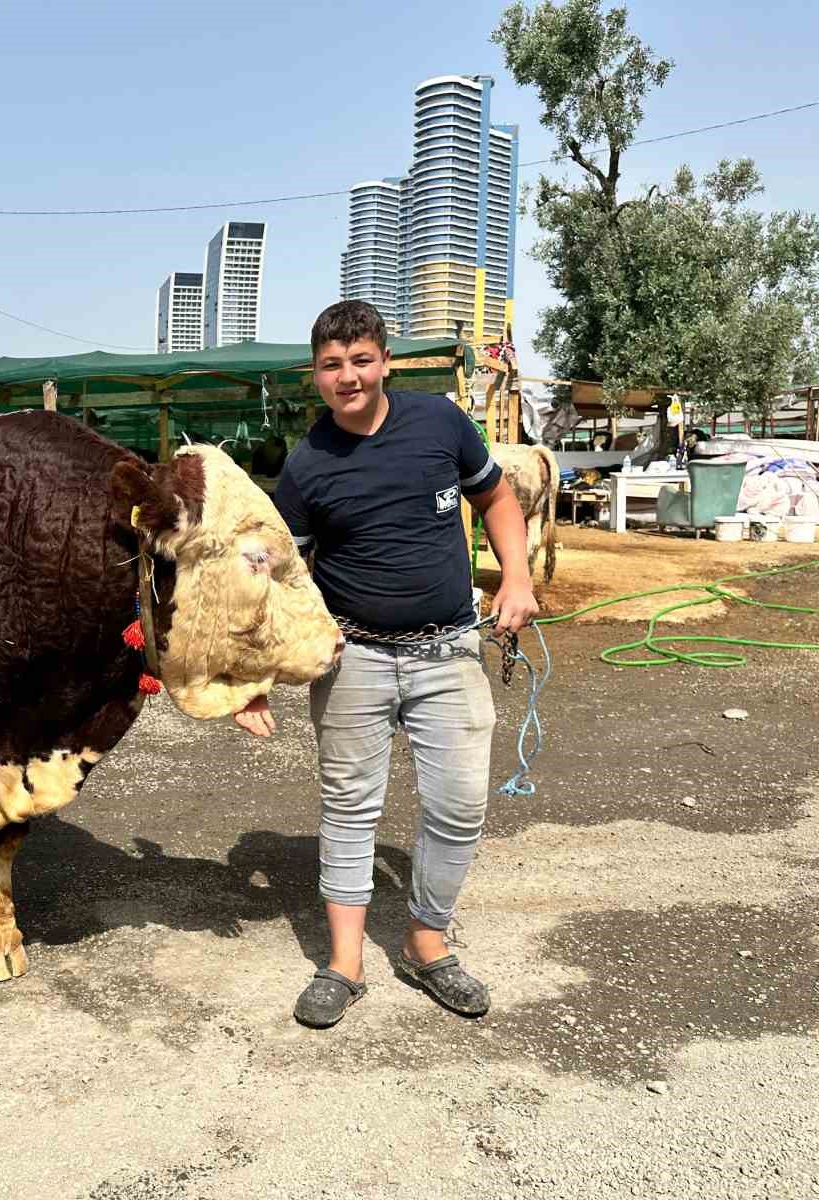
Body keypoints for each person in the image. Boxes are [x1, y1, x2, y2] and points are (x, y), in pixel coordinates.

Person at [234, 300, 539, 1030]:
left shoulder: (440, 425)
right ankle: (344, 964)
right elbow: (275, 577)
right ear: (315, 375)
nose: (349, 376)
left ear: (385, 361)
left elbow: (495, 495)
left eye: (361, 360)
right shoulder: (307, 468)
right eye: (333, 365)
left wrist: (518, 577)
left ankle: (427, 942)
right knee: (350, 808)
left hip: (448, 650)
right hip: (355, 659)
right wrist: (251, 675)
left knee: (460, 805)